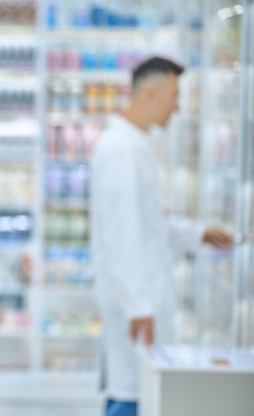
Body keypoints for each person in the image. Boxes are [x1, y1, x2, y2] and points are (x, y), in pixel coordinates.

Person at [89, 56, 233, 416]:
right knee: (130, 396)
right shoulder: (120, 149)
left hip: (142, 304)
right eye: (174, 94)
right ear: (150, 92)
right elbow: (121, 236)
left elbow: (150, 221)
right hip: (136, 311)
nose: (177, 105)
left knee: (138, 393)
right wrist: (139, 305)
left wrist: (199, 234)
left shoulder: (134, 145)